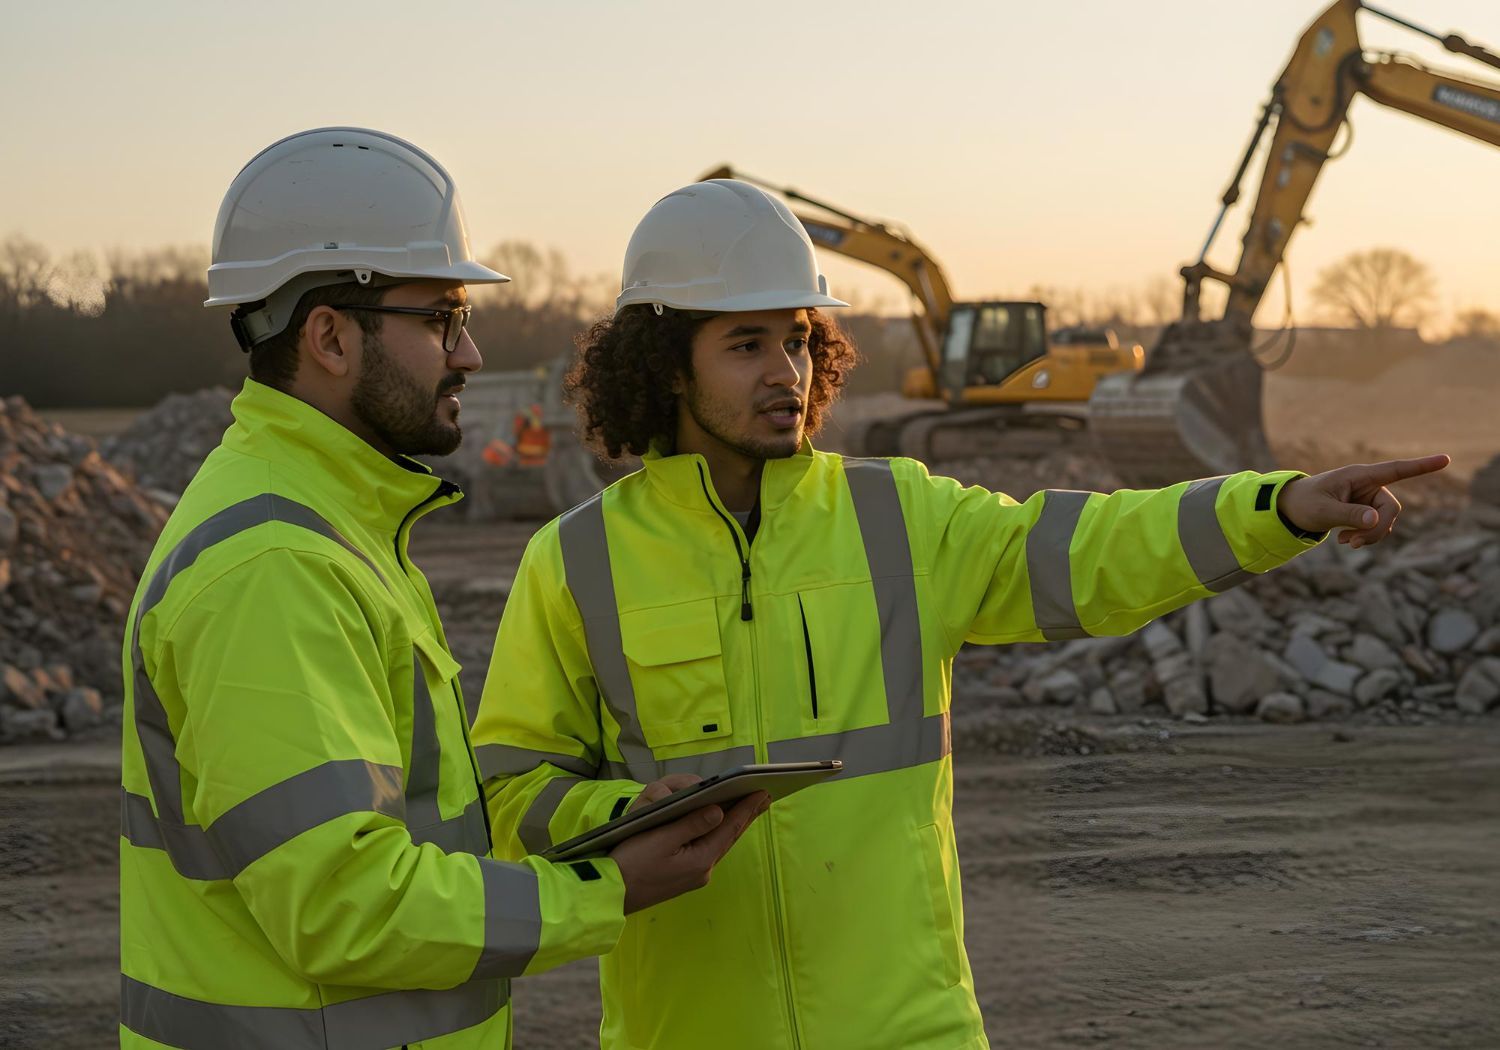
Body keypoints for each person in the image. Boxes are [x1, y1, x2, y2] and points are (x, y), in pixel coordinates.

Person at [471, 178, 1449, 1049]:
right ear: (667, 363)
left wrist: (1273, 509)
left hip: (910, 1027)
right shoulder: (576, 561)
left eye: (801, 340)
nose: (788, 372)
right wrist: (621, 815)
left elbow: (1094, 549)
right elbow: (511, 792)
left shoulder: (898, 515)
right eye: (747, 344)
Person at [118, 132, 765, 1050]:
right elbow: (344, 906)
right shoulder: (275, 564)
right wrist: (608, 888)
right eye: (441, 318)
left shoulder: (336, 523)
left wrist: (611, 826)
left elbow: (409, 840)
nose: (468, 354)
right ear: (331, 336)